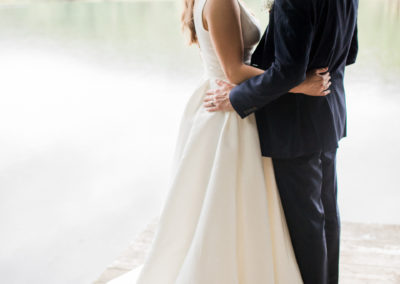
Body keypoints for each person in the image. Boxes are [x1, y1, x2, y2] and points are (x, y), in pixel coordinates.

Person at [107, 0, 335, 282]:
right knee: (225, 200)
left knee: (231, 202)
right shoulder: (219, 2)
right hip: (228, 112)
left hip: (235, 102)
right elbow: (235, 72)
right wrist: (302, 85)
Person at [204, 0, 358, 283]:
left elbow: (288, 73)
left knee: (307, 226)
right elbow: (350, 53)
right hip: (328, 114)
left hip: (294, 124)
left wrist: (236, 96)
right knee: (326, 219)